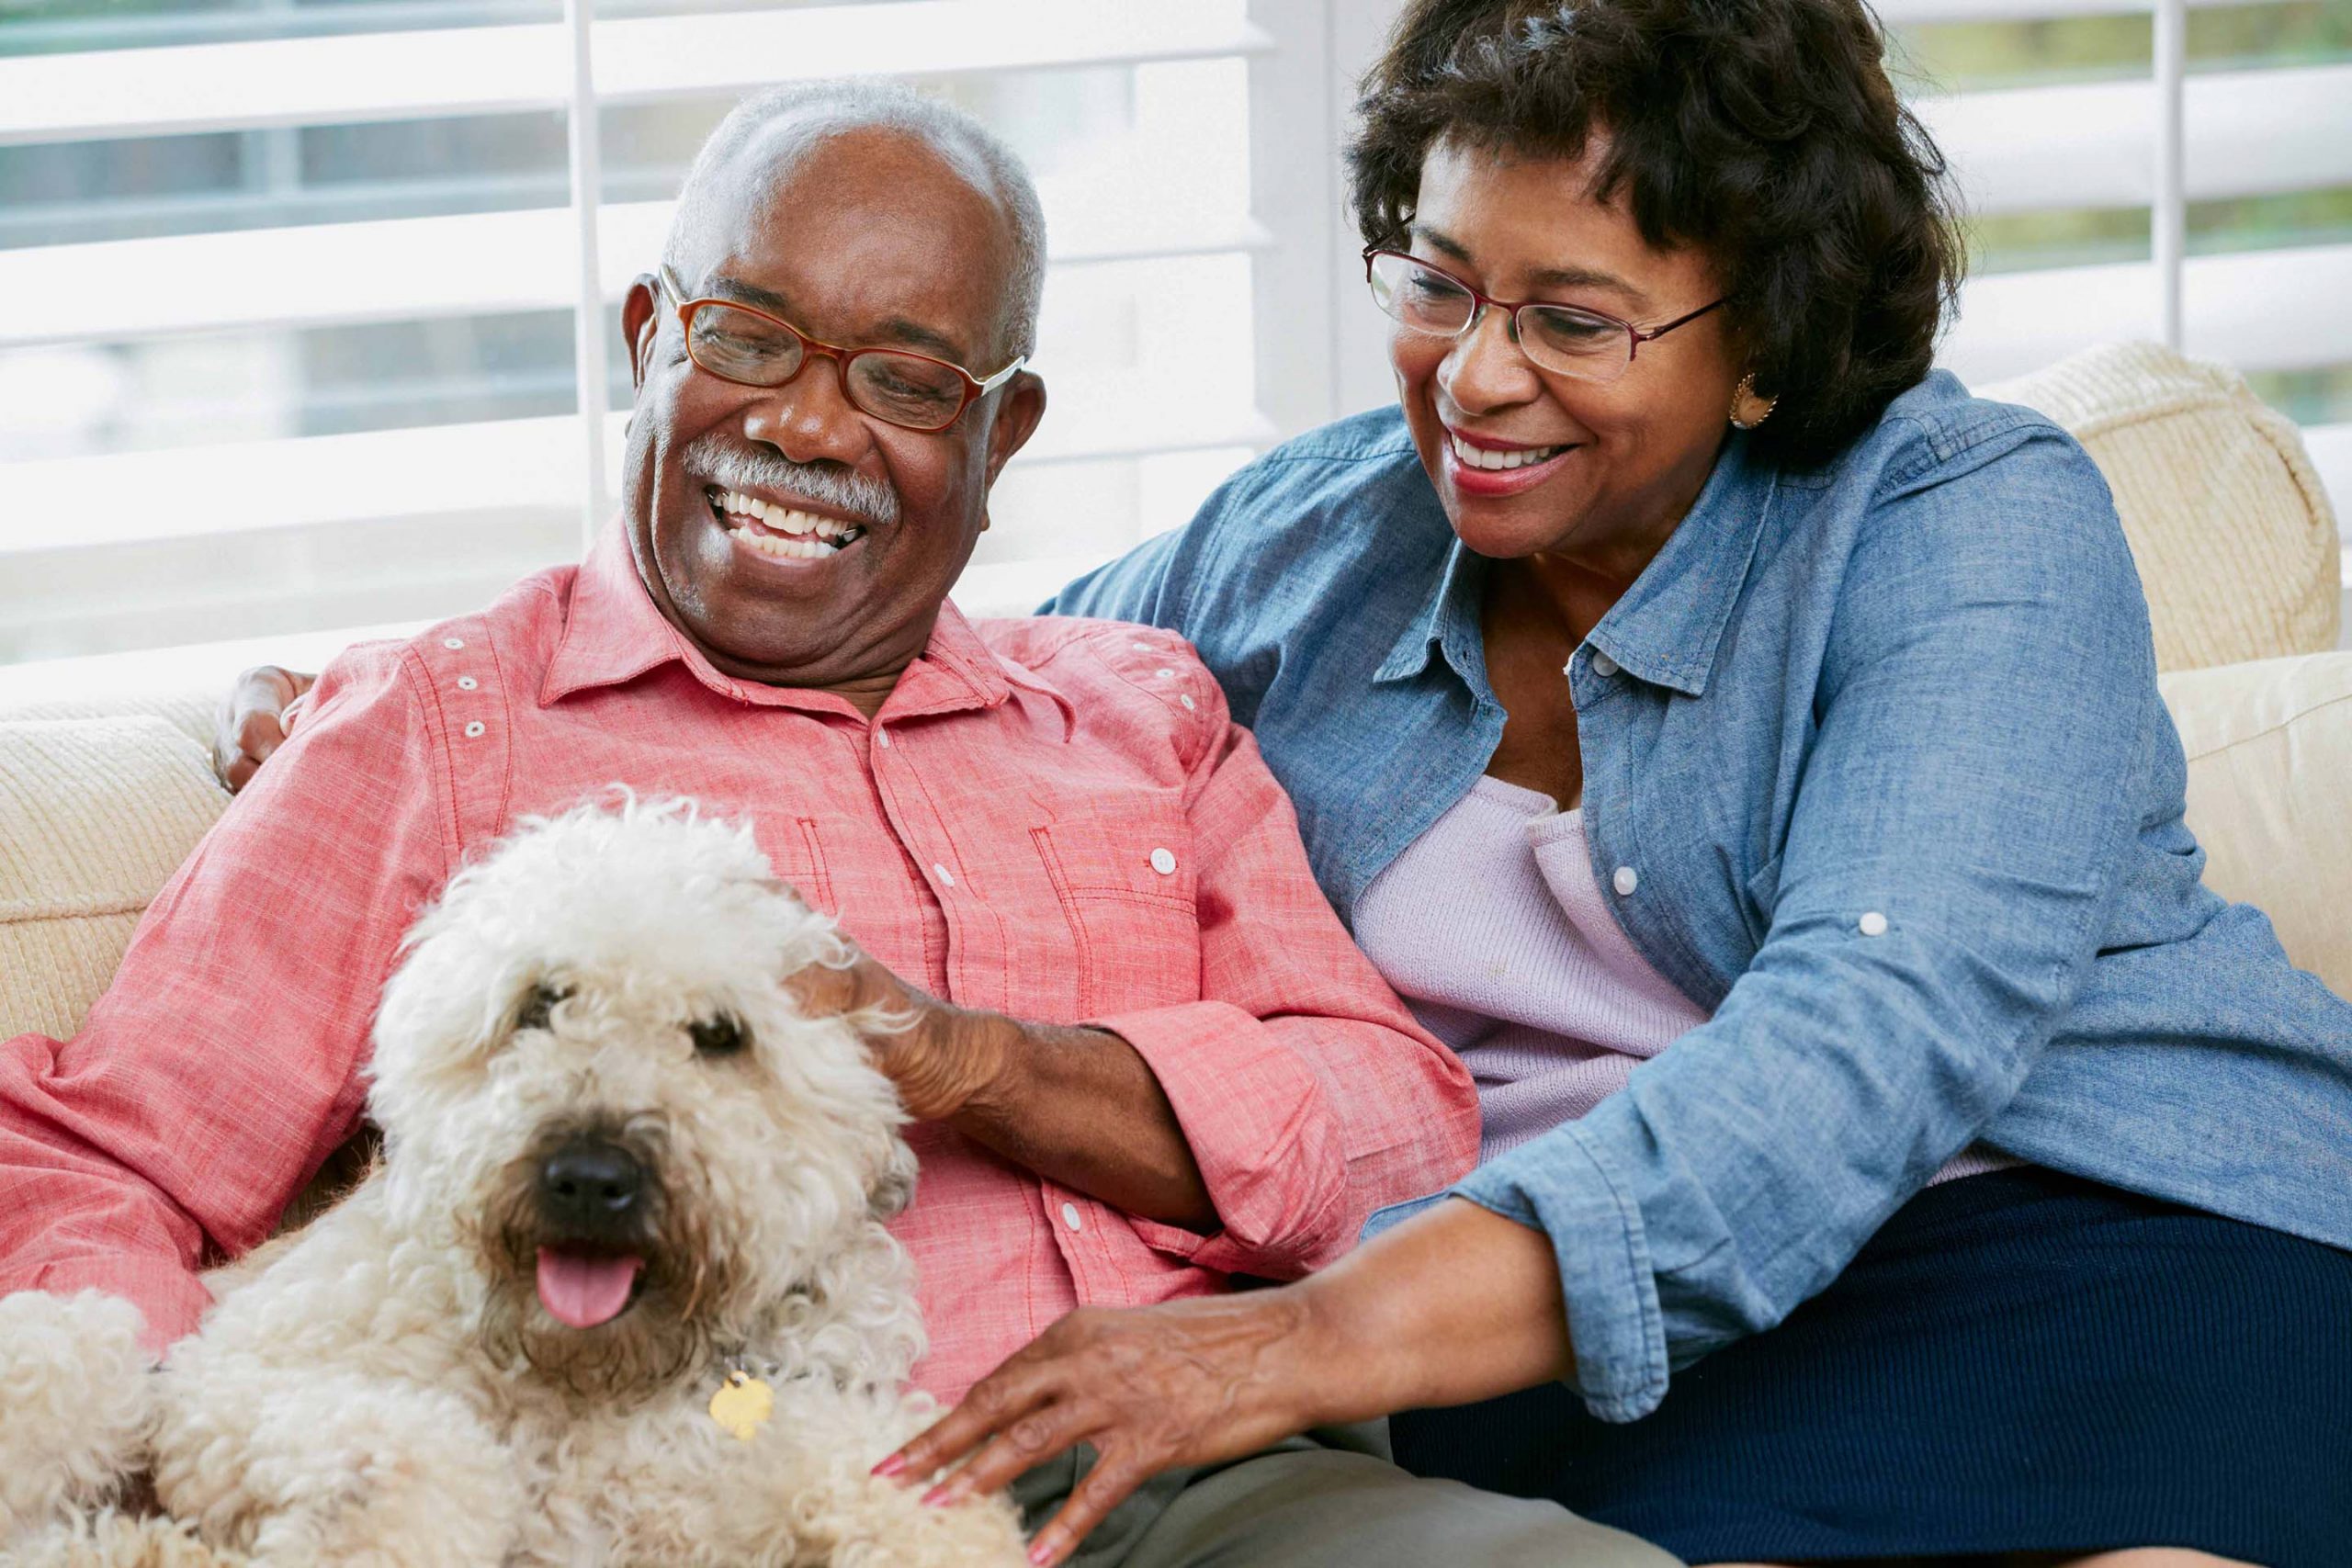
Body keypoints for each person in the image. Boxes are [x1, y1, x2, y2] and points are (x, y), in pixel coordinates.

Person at [0, 81, 1675, 1568]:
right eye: (743, 337)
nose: (805, 426)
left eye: (902, 377)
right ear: (647, 334)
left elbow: (1396, 1117)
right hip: (708, 1501)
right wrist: (202, 1460)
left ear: (1001, 431)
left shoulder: (1136, 711)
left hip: (1204, 1483)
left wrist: (979, 1066)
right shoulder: (436, 725)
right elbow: (99, 1165)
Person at [858, 3, 2352, 1567]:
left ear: (1767, 343)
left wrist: (1287, 1347)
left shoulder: (1968, 523)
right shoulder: (1306, 544)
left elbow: (1870, 1048)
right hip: (1570, 1359)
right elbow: (949, 696)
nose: (1475, 378)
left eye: (1574, 322)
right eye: (1440, 283)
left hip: (2072, 1238)